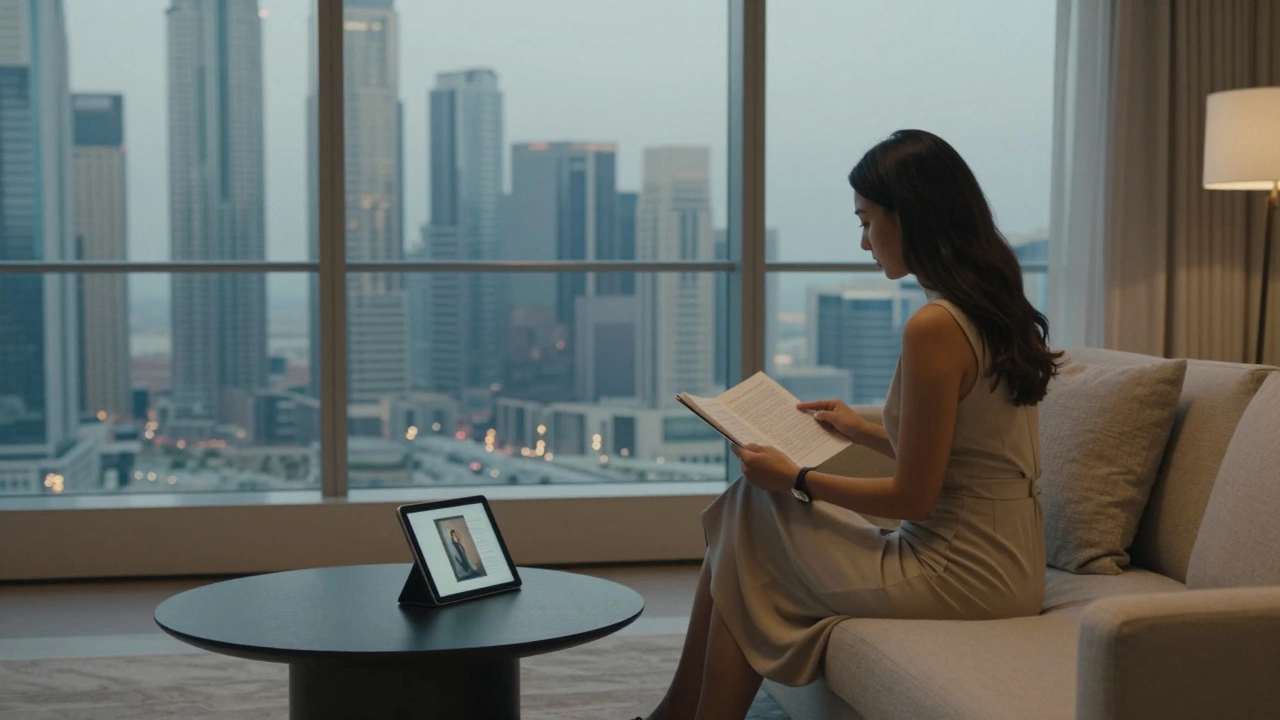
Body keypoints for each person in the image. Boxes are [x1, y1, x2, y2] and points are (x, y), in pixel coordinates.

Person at [636, 129, 1061, 720]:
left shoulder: (934, 326)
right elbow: (966, 458)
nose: (864, 242)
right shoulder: (988, 307)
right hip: (1005, 563)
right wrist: (859, 431)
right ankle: (679, 712)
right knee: (746, 511)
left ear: (908, 216)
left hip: (963, 573)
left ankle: (683, 713)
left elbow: (914, 496)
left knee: (754, 516)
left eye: (866, 222)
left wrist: (795, 478)